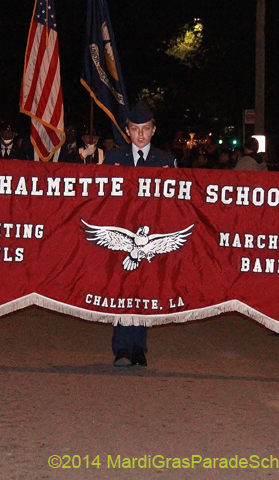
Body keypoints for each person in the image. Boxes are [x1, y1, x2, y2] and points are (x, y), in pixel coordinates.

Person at [103, 101, 177, 368]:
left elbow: (176, 202)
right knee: (122, 289)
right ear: (127, 131)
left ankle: (138, 347)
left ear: (154, 130)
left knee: (146, 289)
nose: (141, 135)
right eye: (135, 129)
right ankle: (121, 347)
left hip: (152, 235)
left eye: (146, 129)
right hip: (122, 233)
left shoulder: (166, 161)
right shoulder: (113, 159)